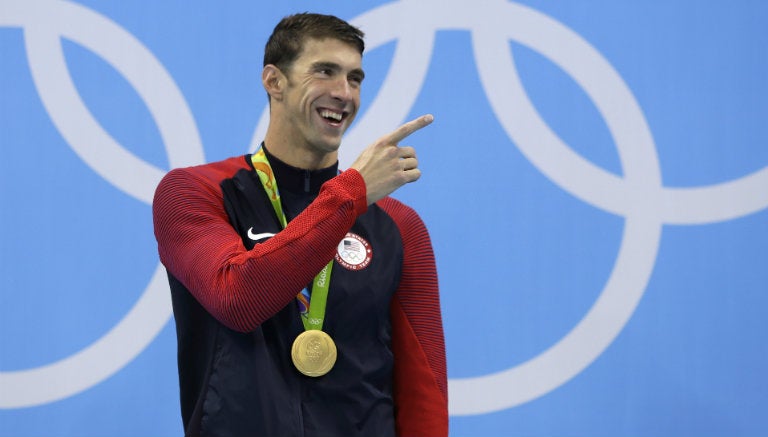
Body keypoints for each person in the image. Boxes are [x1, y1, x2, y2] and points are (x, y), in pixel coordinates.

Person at [153, 12, 447, 437]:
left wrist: (353, 195)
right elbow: (238, 299)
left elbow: (425, 385)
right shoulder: (195, 192)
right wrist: (352, 192)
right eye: (325, 71)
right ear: (274, 81)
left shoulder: (399, 225)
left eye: (355, 78)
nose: (344, 93)